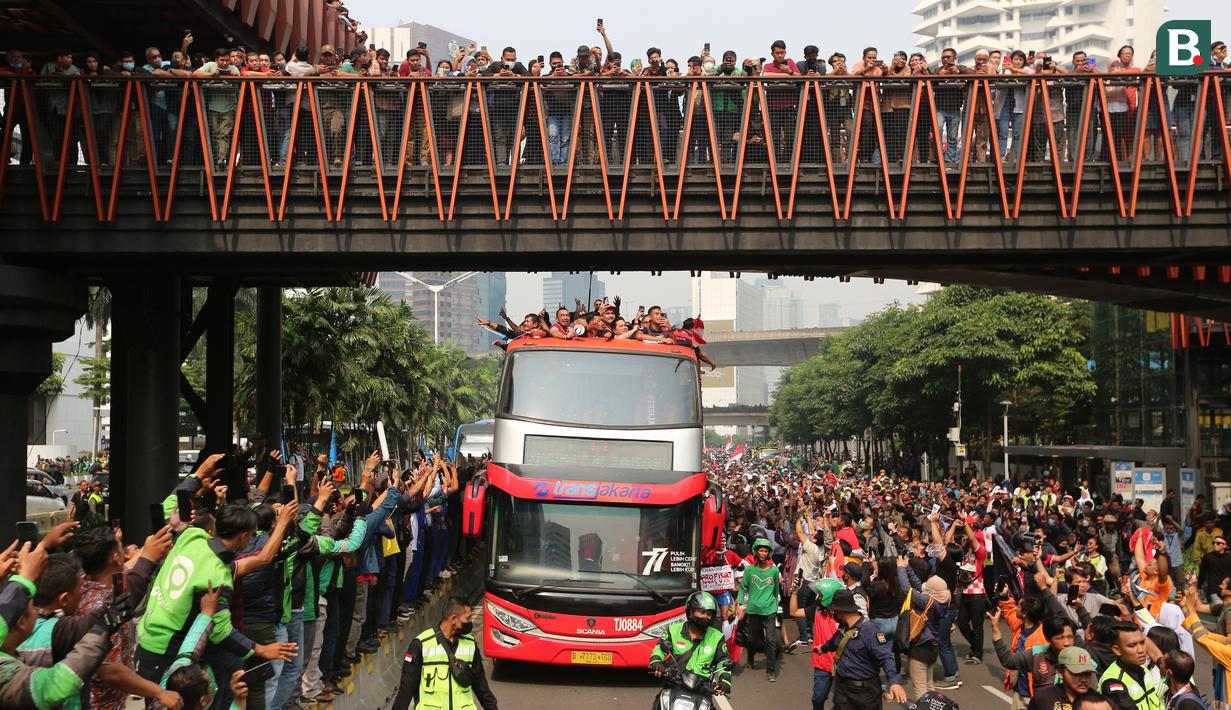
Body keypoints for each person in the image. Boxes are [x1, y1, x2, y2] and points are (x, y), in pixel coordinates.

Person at [390, 596, 498, 710]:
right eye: (467, 618)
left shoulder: (470, 645)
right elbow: (406, 689)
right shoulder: (420, 645)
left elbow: (481, 687)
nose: (469, 623)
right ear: (454, 619)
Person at [816, 589, 907, 708]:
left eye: (836, 611)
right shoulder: (843, 628)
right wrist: (822, 648)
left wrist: (894, 682)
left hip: (865, 694)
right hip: (842, 690)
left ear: (842, 611)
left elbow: (885, 657)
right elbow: (834, 642)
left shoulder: (869, 631)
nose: (835, 615)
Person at [649, 592, 732, 697]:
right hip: (674, 686)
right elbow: (660, 649)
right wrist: (656, 662)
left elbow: (723, 661)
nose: (706, 616)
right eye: (702, 612)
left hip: (702, 691)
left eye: (709, 613)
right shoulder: (673, 630)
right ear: (690, 611)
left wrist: (725, 681)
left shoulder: (717, 637)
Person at [787, 577, 842, 709]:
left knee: (841, 702)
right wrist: (794, 593)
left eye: (821, 594)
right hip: (822, 665)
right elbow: (793, 612)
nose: (818, 597)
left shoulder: (843, 614)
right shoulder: (816, 610)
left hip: (841, 666)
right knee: (818, 698)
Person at [736, 537, 783, 681]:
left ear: (769, 553)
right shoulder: (749, 570)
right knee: (751, 640)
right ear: (756, 552)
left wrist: (775, 603)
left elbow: (776, 589)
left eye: (765, 551)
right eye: (761, 550)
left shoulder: (774, 571)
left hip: (769, 610)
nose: (763, 553)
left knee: (771, 640)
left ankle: (771, 671)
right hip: (753, 610)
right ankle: (750, 659)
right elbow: (743, 588)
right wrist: (738, 604)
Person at [1098, 622, 1164, 710]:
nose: (1141, 650)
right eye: (1132, 645)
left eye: (1142, 642)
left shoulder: (1143, 669)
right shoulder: (1113, 682)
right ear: (1117, 650)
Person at [1028, 646, 1099, 710]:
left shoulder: (1098, 702)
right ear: (1060, 672)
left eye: (1087, 673)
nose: (1083, 679)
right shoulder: (1043, 699)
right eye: (1076, 673)